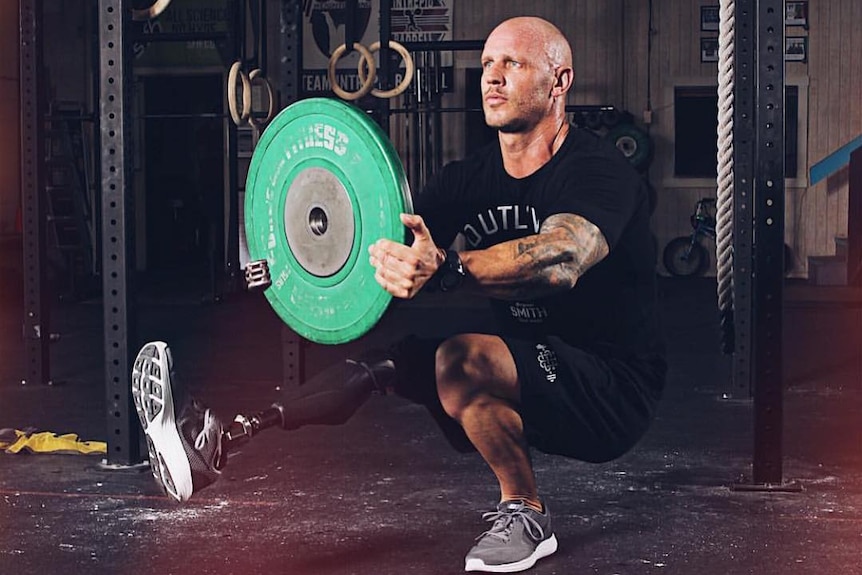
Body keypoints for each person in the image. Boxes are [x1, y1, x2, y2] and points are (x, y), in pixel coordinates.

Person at [131, 16, 666, 574]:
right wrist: (286, 263)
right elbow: (379, 245)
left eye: (514, 63)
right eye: (487, 64)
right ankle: (221, 441)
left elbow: (563, 257)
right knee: (396, 364)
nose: (493, 77)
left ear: (559, 82)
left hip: (614, 384)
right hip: (527, 365)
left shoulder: (598, 169)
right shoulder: (472, 177)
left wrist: (450, 267)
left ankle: (523, 510)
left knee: (461, 358)